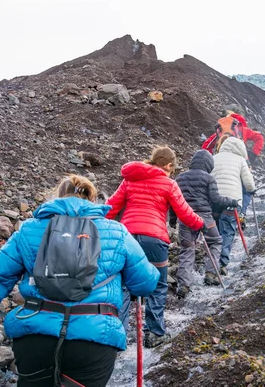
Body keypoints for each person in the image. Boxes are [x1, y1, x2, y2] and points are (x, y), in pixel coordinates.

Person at [0, 175, 159, 387]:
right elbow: (145, 283)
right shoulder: (117, 231)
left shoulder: (30, 229)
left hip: (35, 335)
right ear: (92, 199)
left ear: (58, 196)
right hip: (94, 340)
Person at [106, 146, 205, 348]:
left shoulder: (129, 180)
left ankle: (118, 336)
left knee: (123, 285)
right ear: (168, 165)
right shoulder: (168, 183)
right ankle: (154, 333)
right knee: (158, 285)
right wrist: (199, 224)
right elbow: (184, 212)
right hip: (154, 239)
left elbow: (111, 207)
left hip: (127, 237)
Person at [170, 149, 238, 299]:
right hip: (205, 218)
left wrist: (173, 219)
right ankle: (210, 273)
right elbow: (216, 199)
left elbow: (174, 200)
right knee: (215, 241)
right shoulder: (208, 178)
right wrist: (231, 202)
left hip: (185, 218)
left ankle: (184, 285)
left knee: (187, 249)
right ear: (209, 164)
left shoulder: (179, 178)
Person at [202, 111, 264, 224]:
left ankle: (217, 215)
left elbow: (205, 146)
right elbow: (259, 137)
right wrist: (254, 154)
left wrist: (212, 159)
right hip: (241, 163)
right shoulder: (243, 131)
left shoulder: (219, 133)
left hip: (219, 164)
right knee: (246, 190)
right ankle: (241, 213)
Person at [210, 137, 256, 275]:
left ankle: (211, 264)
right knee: (228, 231)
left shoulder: (214, 158)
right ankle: (222, 263)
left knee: (216, 231)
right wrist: (252, 190)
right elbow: (248, 183)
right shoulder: (240, 160)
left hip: (214, 200)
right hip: (232, 201)